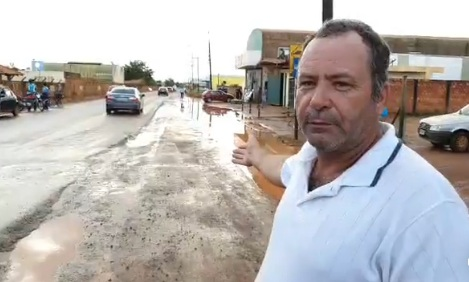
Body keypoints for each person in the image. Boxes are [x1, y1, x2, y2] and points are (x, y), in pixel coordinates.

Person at [232, 19, 469, 282]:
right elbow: (283, 170)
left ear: (380, 97)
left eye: (341, 84)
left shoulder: (427, 211)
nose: (318, 100)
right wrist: (256, 155)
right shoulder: (308, 160)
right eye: (308, 83)